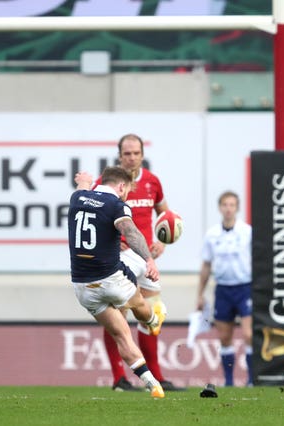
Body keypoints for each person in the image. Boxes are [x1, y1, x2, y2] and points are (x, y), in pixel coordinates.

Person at [68, 167, 166, 398]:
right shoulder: (116, 205)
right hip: (111, 279)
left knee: (121, 335)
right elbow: (130, 232)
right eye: (128, 190)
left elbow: (82, 187)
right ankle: (153, 320)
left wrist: (84, 181)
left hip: (83, 287)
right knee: (140, 305)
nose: (128, 195)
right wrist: (149, 259)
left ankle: (153, 384)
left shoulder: (77, 197)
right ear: (121, 186)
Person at [97, 133, 185, 392]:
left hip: (146, 257)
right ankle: (119, 379)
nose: (132, 158)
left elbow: (165, 214)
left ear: (142, 155)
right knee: (118, 317)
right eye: (127, 154)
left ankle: (156, 376)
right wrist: (111, 240)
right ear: (119, 155)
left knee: (153, 315)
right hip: (120, 256)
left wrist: (162, 242)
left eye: (136, 153)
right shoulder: (108, 184)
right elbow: (95, 215)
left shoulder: (152, 181)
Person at [196, 191, 253, 387]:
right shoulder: (212, 234)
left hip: (244, 287)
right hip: (223, 289)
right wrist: (200, 294)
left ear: (237, 208)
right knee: (224, 337)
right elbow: (206, 265)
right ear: (220, 207)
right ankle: (229, 381)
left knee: (248, 334)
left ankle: (251, 379)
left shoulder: (247, 232)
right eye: (225, 205)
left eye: (232, 205)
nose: (228, 208)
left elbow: (259, 259)